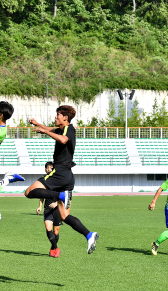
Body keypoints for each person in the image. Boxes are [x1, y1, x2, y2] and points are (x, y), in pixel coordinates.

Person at [24, 105, 99, 254]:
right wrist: (38, 124)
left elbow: (63, 139)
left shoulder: (68, 130)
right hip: (68, 177)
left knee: (29, 192)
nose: (55, 117)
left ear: (65, 117)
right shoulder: (64, 128)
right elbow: (52, 130)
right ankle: (89, 235)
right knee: (64, 216)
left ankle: (59, 195)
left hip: (59, 173)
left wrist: (44, 130)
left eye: (57, 115)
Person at [36, 162, 72, 257]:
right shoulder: (44, 180)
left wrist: (56, 203)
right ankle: (56, 248)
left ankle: (52, 248)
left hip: (57, 209)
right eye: (47, 168)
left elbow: (65, 195)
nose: (49, 169)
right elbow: (41, 194)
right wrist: (39, 206)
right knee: (48, 228)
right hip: (47, 208)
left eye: (51, 168)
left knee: (56, 232)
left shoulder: (59, 181)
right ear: (45, 169)